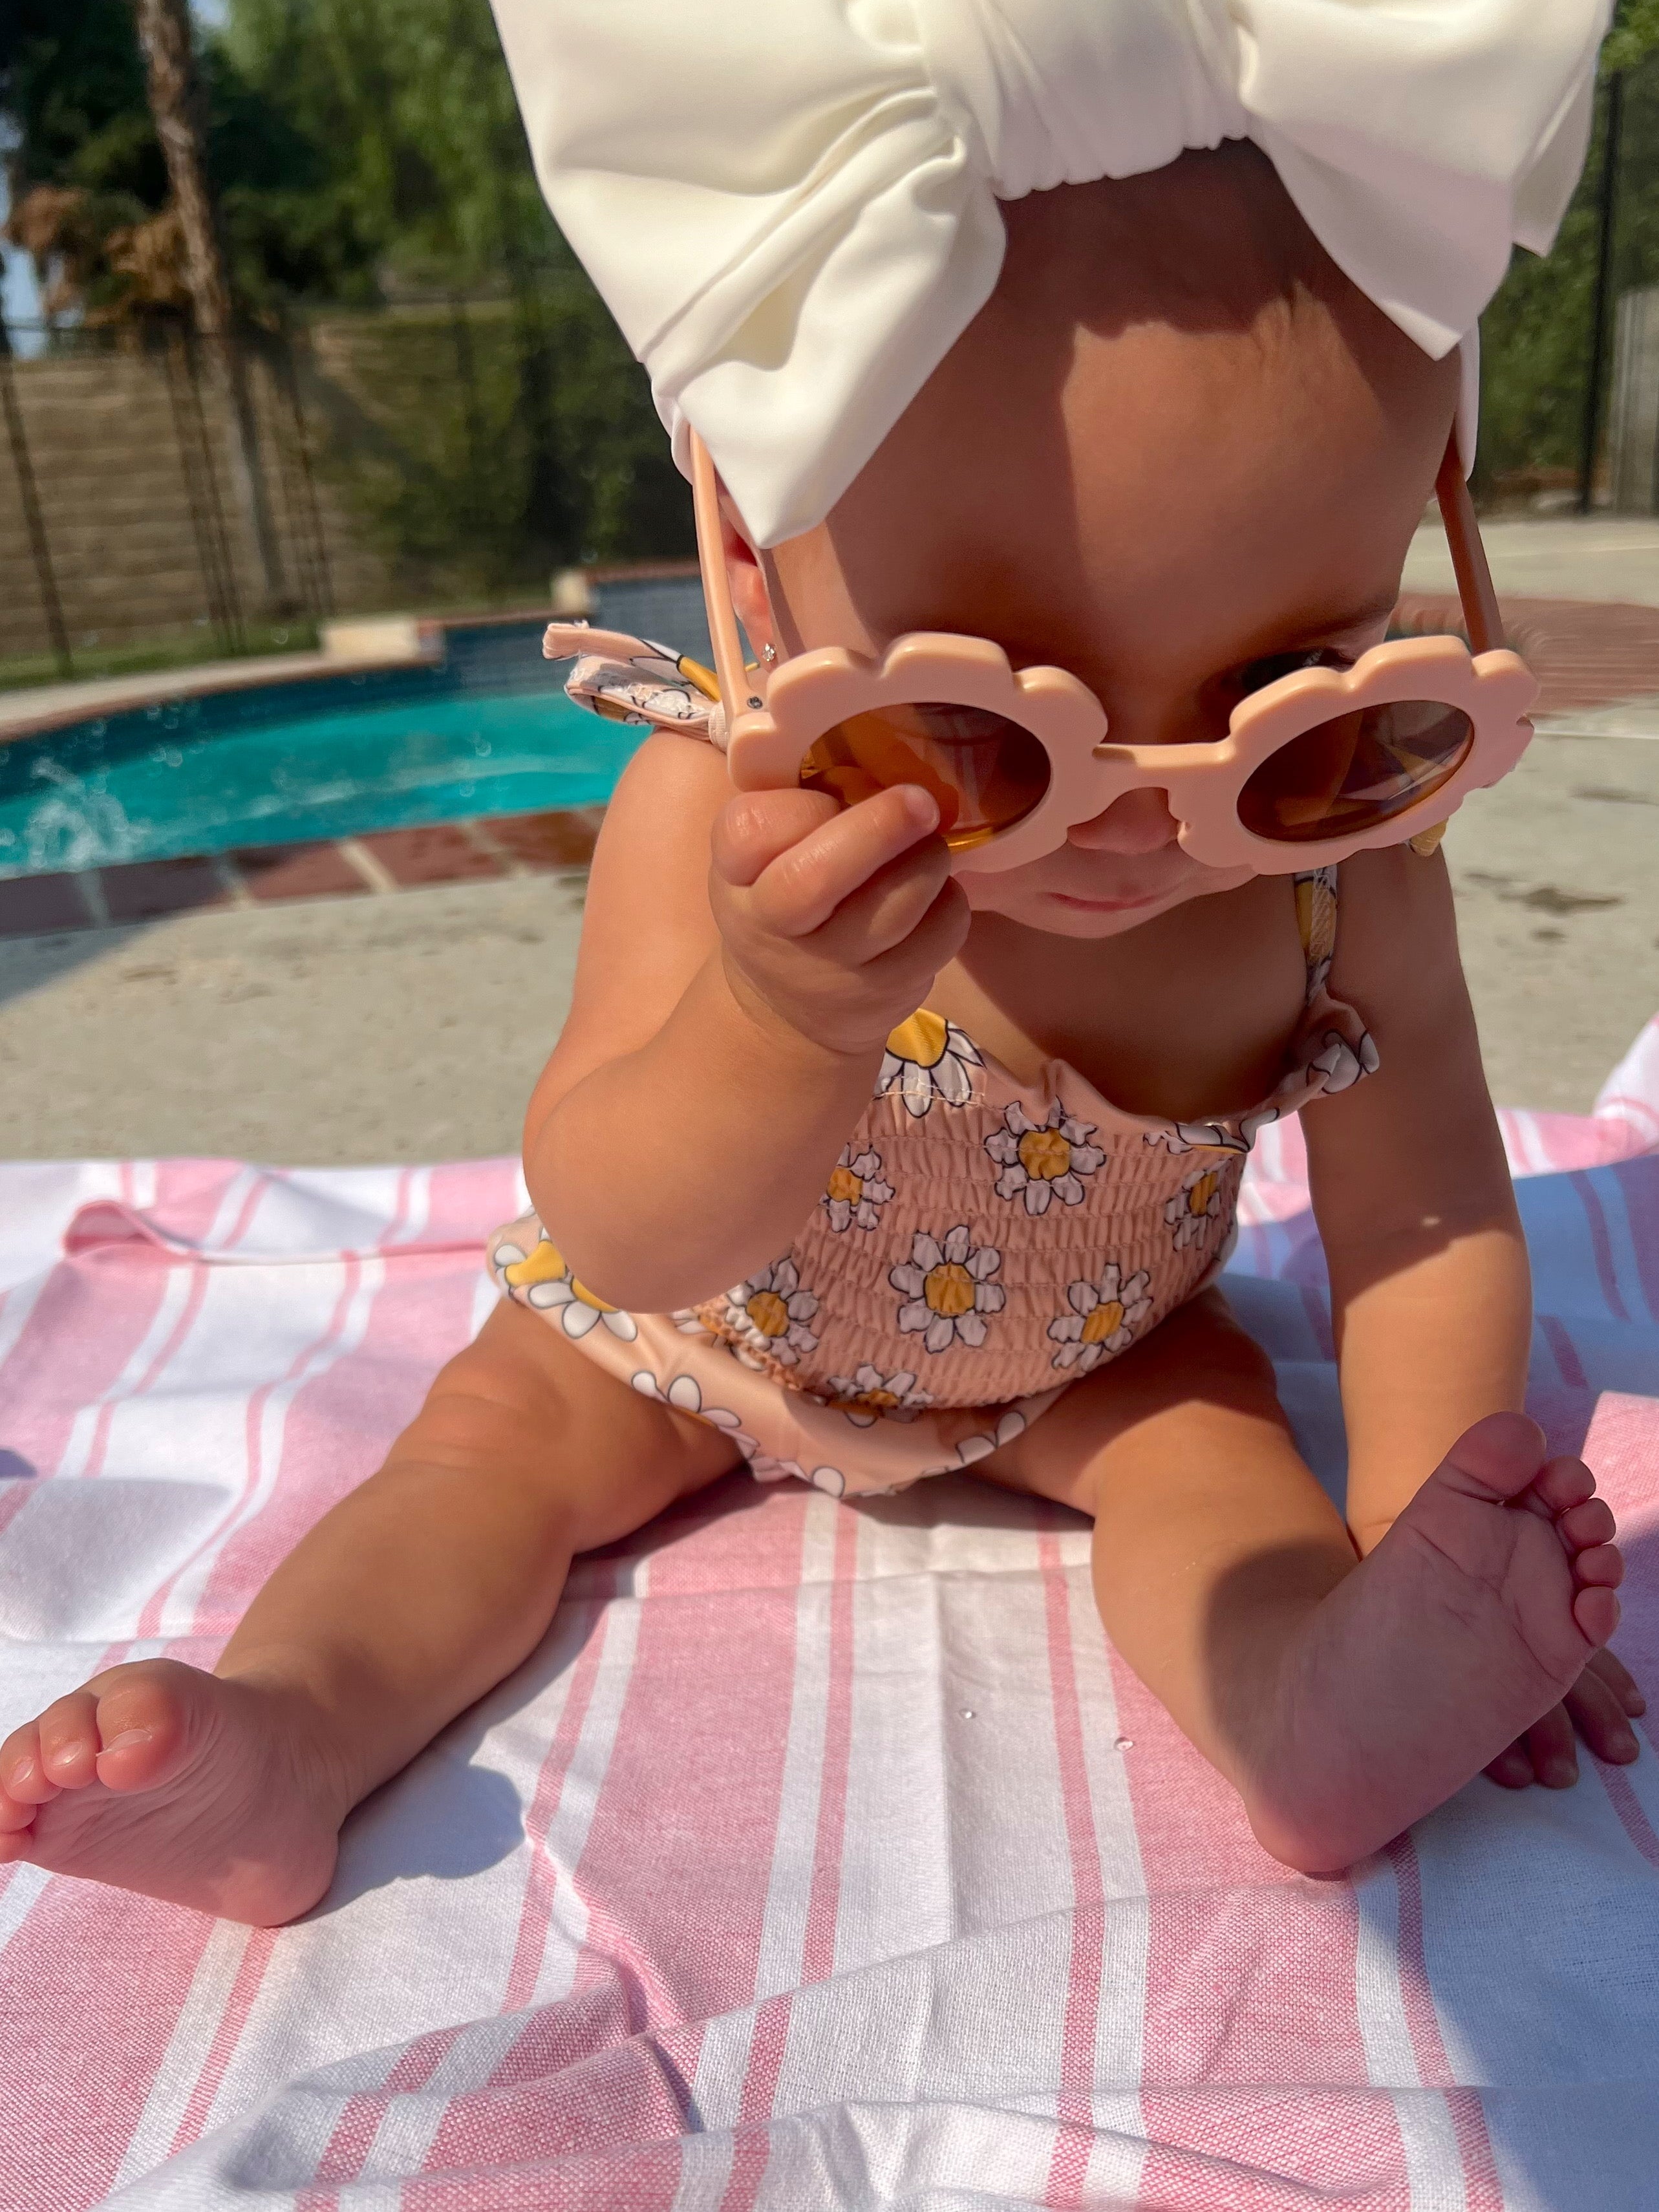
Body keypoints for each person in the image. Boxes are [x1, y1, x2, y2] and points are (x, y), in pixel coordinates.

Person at [1, 0, 1642, 1927]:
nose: (1134, 820)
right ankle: (290, 1730)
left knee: (1221, 1474)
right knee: (482, 1465)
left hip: (1091, 1360)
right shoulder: (708, 812)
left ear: (1426, 548)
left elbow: (1426, 1227)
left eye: (1286, 703)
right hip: (679, 1348)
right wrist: (783, 1020)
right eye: (985, 725)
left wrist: (1421, 1535)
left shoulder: (1349, 879)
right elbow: (620, 1230)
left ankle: (1312, 1699)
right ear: (753, 577)